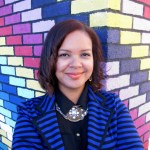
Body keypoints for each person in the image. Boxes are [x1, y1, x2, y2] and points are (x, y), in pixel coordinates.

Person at [12, 19, 144, 150]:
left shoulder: (114, 106)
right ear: (50, 59)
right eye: (64, 54)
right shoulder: (29, 112)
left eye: (85, 54)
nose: (76, 64)